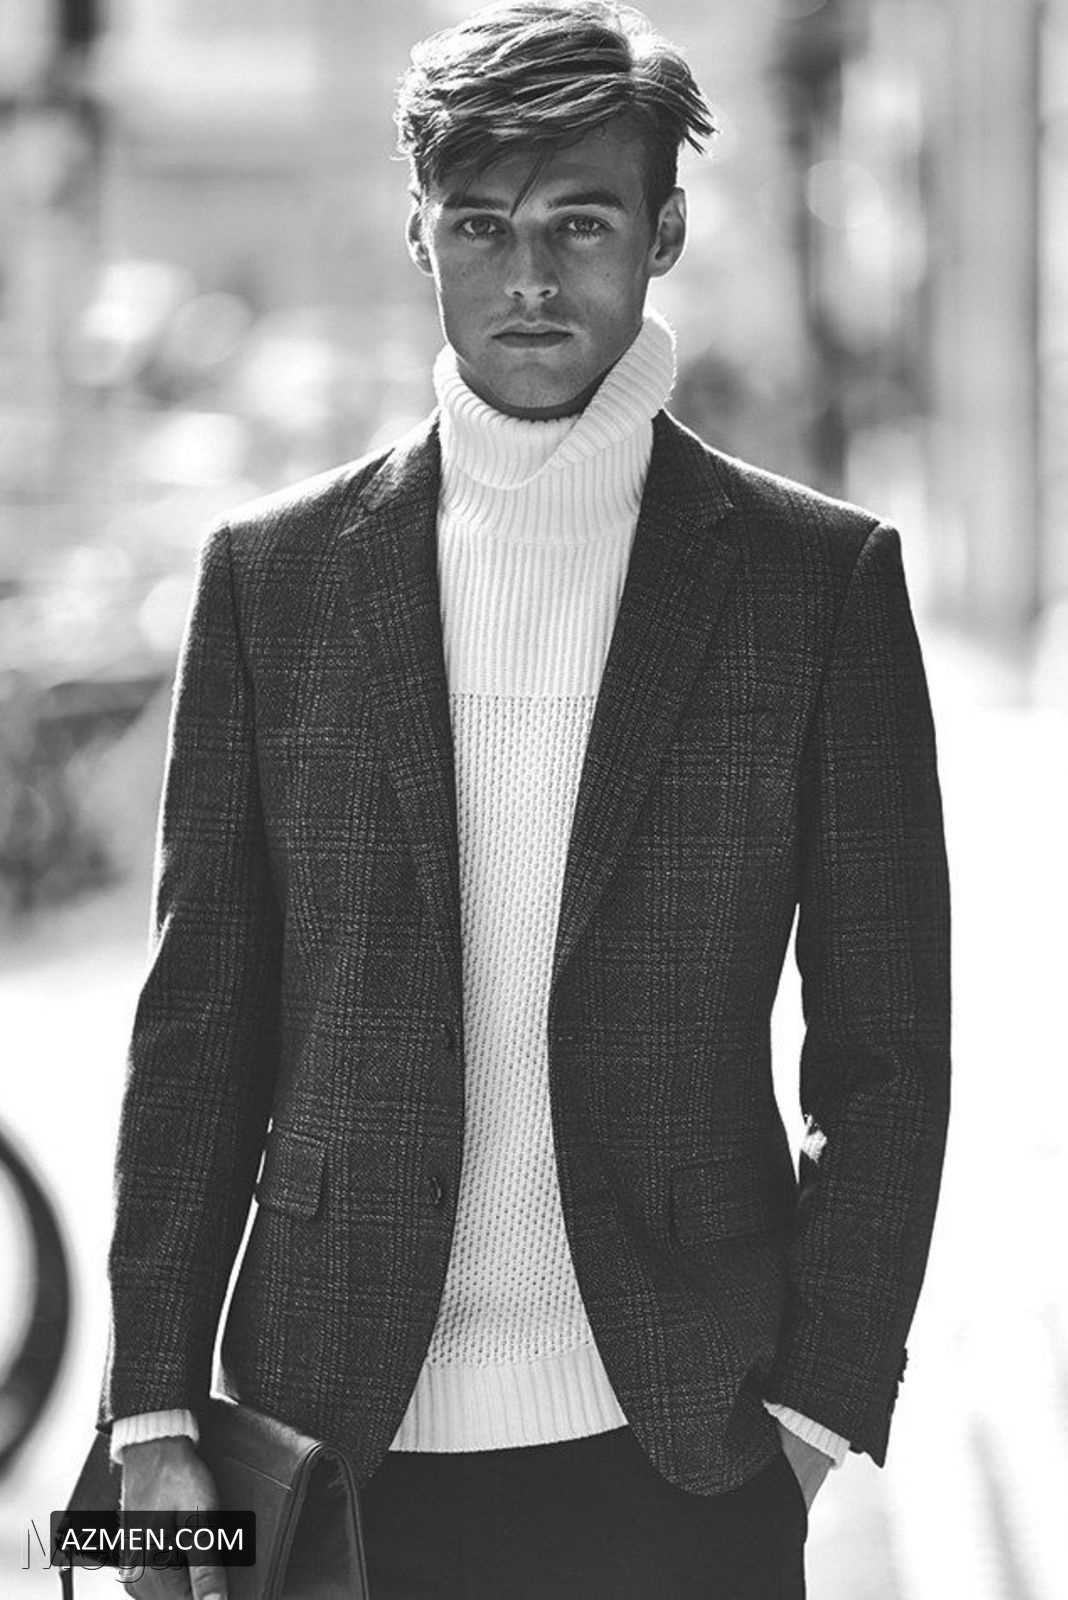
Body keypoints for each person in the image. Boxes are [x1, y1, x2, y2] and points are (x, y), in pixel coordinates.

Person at [97, 3, 951, 1596]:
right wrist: (148, 1418)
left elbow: (889, 1047)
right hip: (330, 1440)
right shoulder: (273, 580)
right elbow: (200, 1022)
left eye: (582, 223)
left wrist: (823, 1409)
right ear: (419, 233)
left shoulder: (817, 584)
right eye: (482, 226)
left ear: (664, 231)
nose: (532, 278)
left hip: (689, 1448)